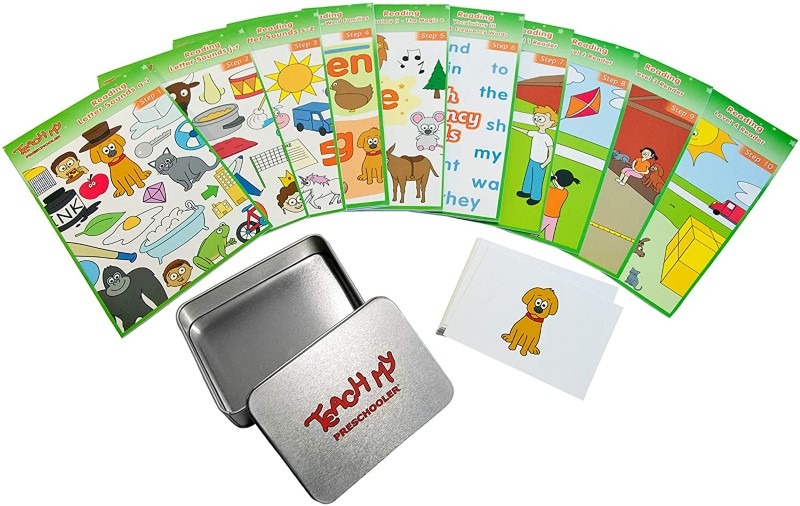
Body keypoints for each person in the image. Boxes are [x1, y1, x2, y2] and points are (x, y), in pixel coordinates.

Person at [513, 106, 557, 205]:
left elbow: (551, 153)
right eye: (536, 118)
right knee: (528, 177)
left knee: (537, 180)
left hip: (540, 163)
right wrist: (513, 126)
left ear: (551, 122)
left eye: (540, 119)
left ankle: (536, 197)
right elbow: (526, 132)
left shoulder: (547, 138)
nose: (537, 121)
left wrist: (545, 164)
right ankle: (526, 191)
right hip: (532, 160)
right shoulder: (535, 134)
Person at [539, 169, 581, 241]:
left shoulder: (550, 190)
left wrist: (551, 176)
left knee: (534, 233)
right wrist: (553, 176)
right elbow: (556, 184)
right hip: (555, 218)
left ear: (556, 179)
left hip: (546, 215)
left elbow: (545, 185)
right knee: (549, 238)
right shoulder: (565, 192)